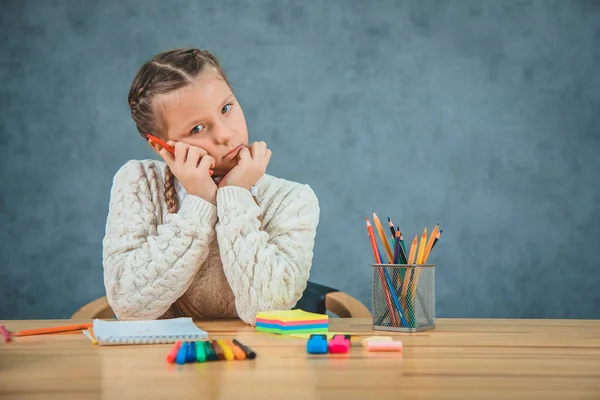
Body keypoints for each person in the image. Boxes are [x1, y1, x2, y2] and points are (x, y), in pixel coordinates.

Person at [102, 48, 320, 325]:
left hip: (258, 361)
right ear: (162, 146)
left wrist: (235, 195)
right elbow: (130, 307)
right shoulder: (139, 182)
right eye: (197, 129)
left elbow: (268, 309)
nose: (225, 135)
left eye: (226, 108)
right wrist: (200, 201)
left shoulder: (292, 199)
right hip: (160, 361)